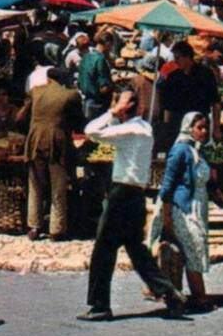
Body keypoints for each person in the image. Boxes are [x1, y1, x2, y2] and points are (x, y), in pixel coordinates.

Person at [79, 89, 185, 321]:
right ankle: (167, 291)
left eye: (120, 102)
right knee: (136, 249)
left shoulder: (130, 130)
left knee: (103, 250)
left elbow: (91, 131)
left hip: (121, 194)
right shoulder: (145, 129)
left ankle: (100, 305)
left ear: (128, 106)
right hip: (136, 194)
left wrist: (112, 112)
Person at [153, 111, 220, 310]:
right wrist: (166, 218)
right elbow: (167, 186)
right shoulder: (180, 150)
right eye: (199, 127)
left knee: (195, 249)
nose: (204, 131)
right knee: (194, 248)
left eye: (206, 127)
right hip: (183, 209)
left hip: (197, 207)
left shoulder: (196, 150)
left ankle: (189, 293)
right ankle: (199, 297)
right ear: (188, 128)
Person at [20, 68, 84, 241]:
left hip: (35, 142)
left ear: (48, 79)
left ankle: (34, 227)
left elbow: (21, 118)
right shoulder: (71, 95)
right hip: (58, 143)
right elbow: (79, 123)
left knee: (35, 185)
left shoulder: (36, 91)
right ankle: (56, 229)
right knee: (58, 186)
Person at [151, 41, 220, 156]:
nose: (175, 61)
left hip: (199, 123)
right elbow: (168, 106)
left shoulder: (205, 74)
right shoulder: (173, 77)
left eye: (178, 57)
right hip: (178, 125)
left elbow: (215, 103)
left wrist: (216, 128)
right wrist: (167, 128)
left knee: (198, 156)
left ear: (188, 57)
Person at [75, 32, 113, 120]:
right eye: (111, 45)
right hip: (98, 103)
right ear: (108, 44)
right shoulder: (100, 59)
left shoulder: (85, 57)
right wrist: (113, 84)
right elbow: (104, 87)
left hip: (85, 100)